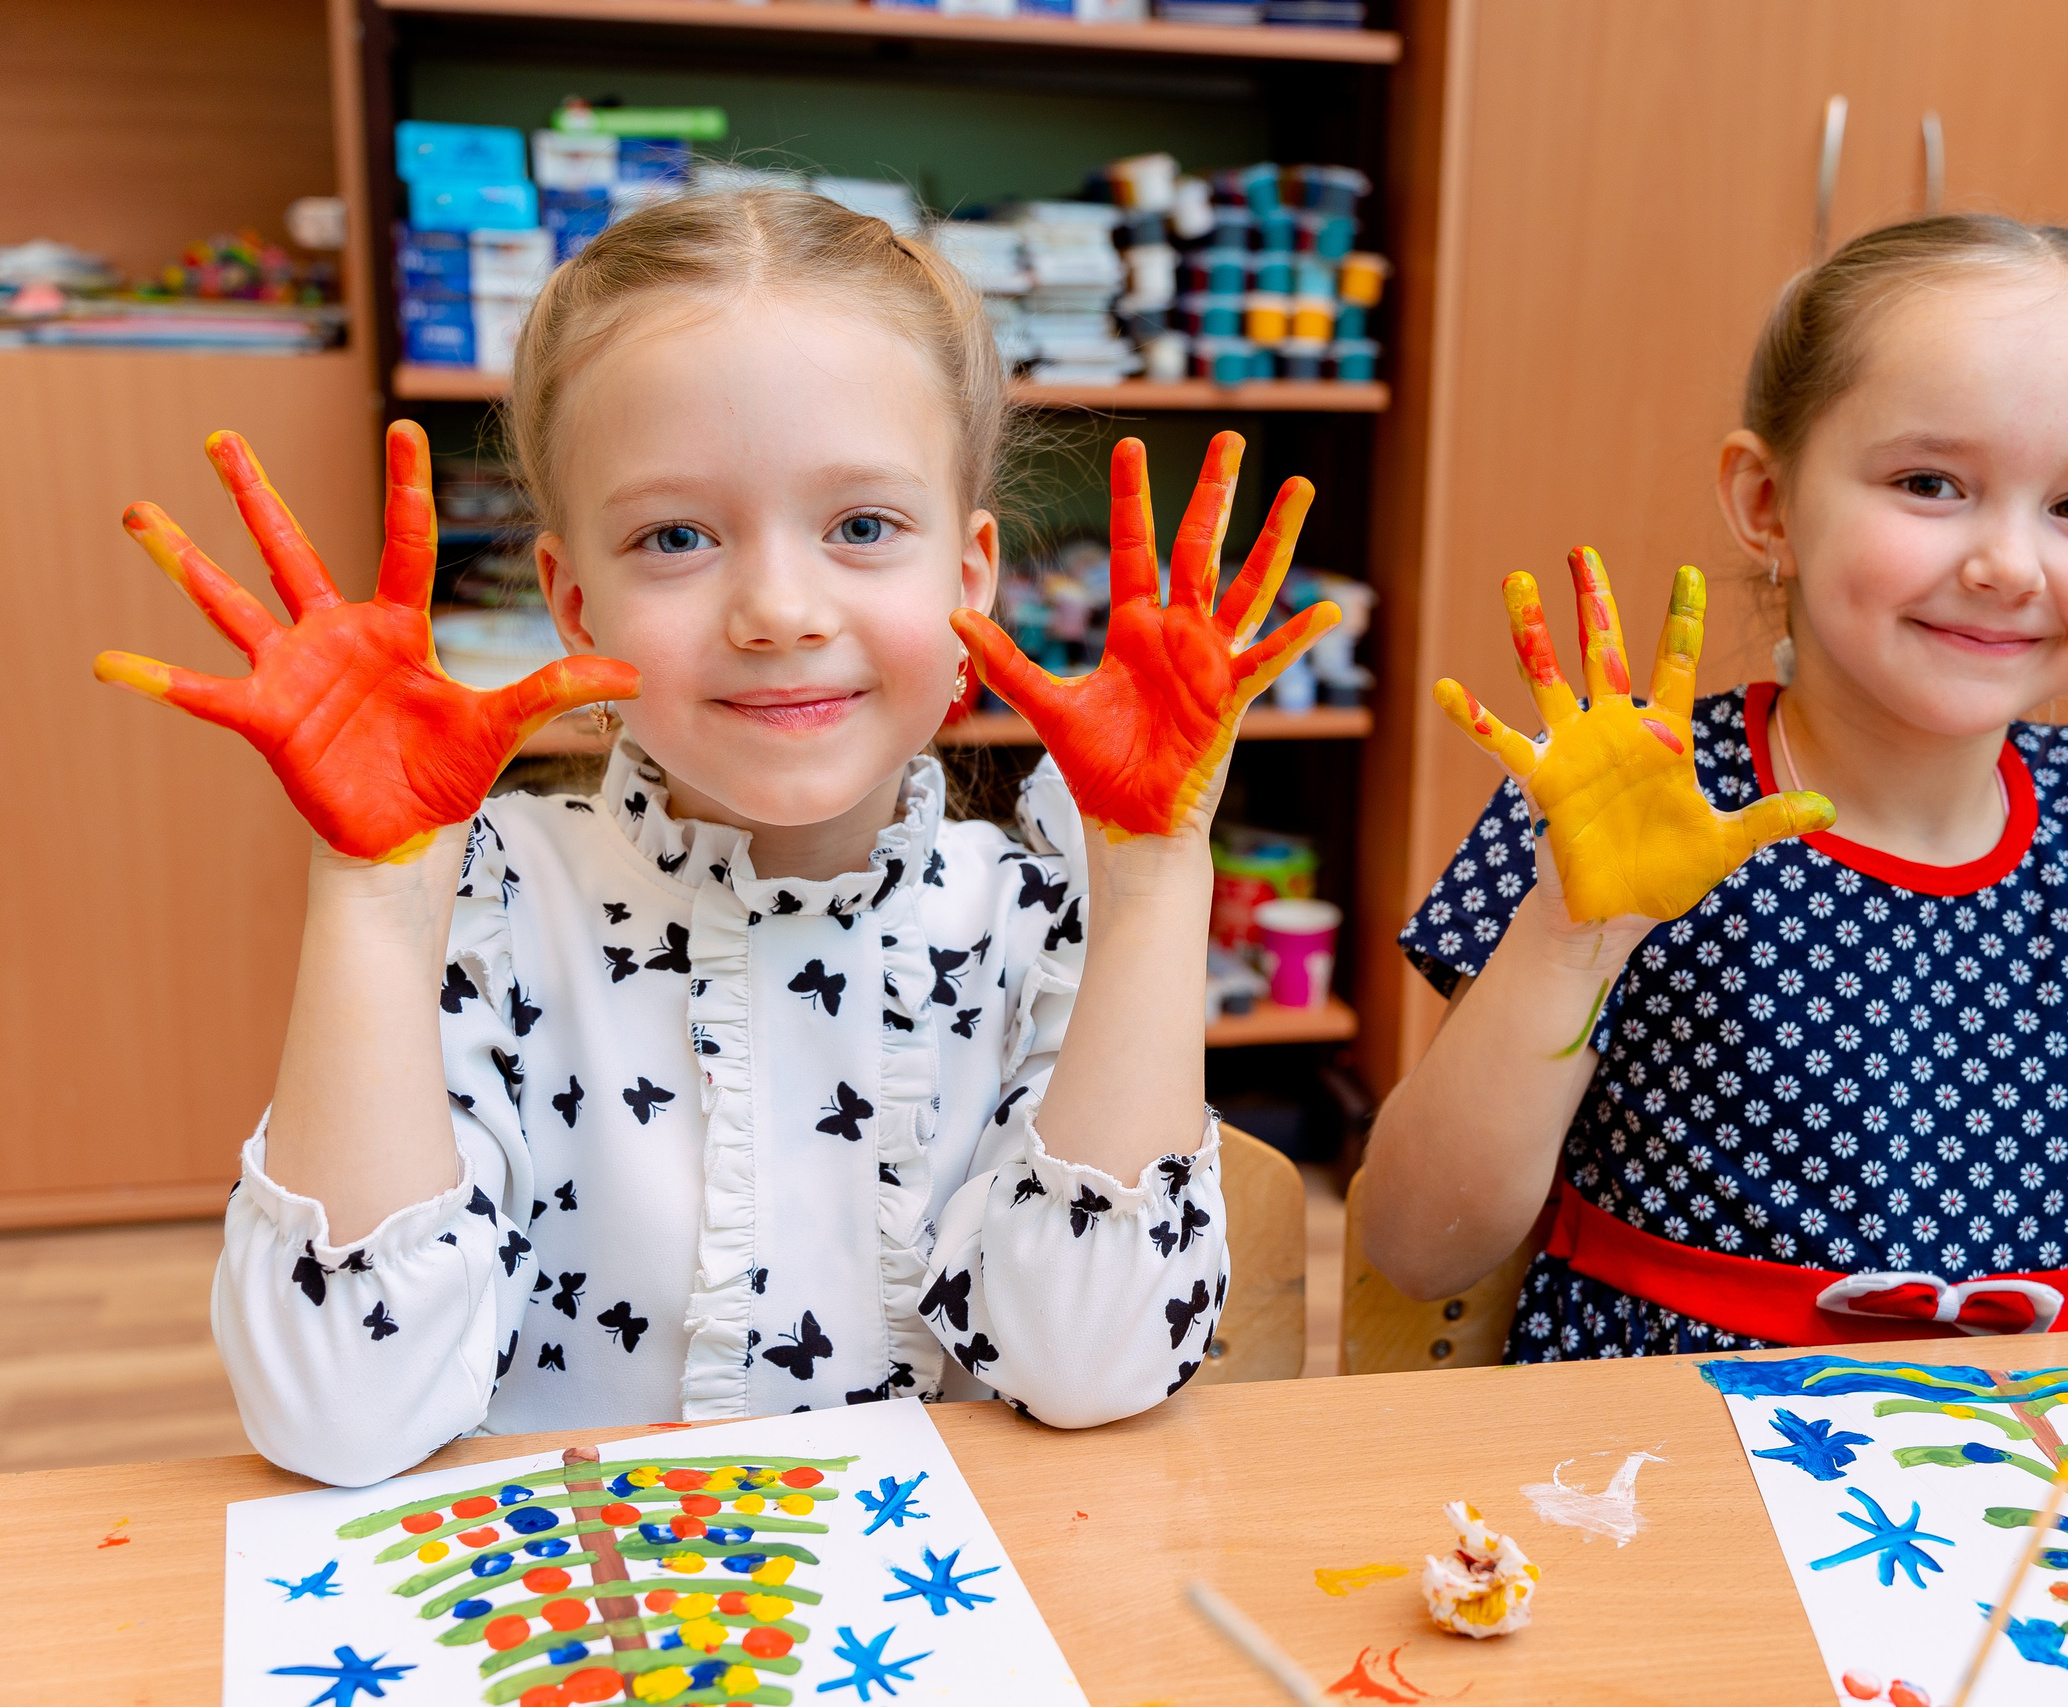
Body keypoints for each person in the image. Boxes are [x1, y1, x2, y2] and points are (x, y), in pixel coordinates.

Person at [97, 190, 1332, 1484]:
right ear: (574, 600)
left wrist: (1152, 878)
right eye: (676, 536)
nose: (779, 608)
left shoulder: (1040, 918)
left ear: (969, 578)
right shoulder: (489, 900)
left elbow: (1091, 1367)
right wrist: (368, 894)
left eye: (861, 526)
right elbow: (335, 1413)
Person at [1361, 213, 2068, 1361]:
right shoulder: (1631, 804)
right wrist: (1575, 930)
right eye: (1930, 483)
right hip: (1667, 1450)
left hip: (2033, 1451)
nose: (2007, 564)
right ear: (1767, 504)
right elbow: (1419, 1249)